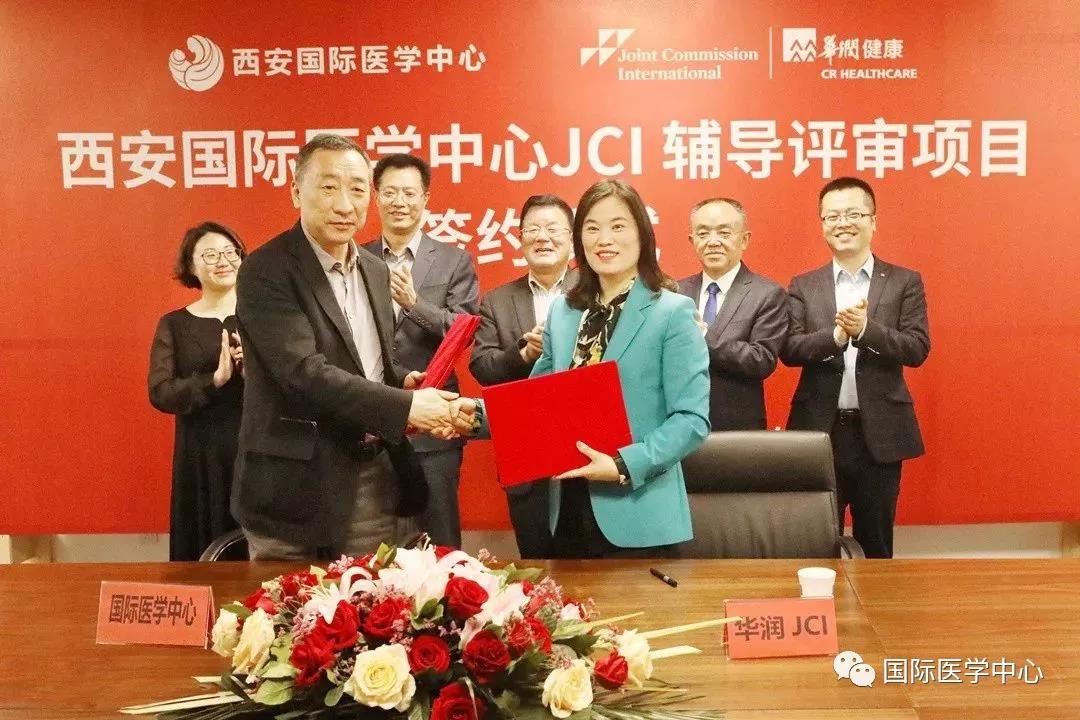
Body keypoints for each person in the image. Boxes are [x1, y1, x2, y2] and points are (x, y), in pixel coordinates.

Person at [454, 180, 710, 559]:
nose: (604, 239)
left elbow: (691, 420)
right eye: (592, 228)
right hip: (567, 508)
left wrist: (623, 464)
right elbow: (536, 400)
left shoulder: (672, 311)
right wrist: (475, 414)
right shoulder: (564, 311)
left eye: (618, 226)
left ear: (643, 234)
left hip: (638, 512)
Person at [232, 134, 458, 561]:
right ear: (296, 191)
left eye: (357, 189)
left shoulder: (375, 269)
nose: (344, 205)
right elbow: (303, 373)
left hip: (374, 475)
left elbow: (365, 363)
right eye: (329, 187)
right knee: (291, 603)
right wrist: (406, 406)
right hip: (294, 489)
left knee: (371, 598)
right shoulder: (266, 270)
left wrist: (402, 383)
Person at [781, 176, 930, 559]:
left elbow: (917, 348)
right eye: (832, 216)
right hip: (820, 430)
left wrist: (865, 330)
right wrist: (834, 337)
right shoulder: (804, 285)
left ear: (873, 221)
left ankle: (877, 601)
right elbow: (789, 349)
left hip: (879, 432)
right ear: (822, 224)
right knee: (815, 543)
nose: (842, 223)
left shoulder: (904, 281)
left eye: (853, 214)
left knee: (876, 545)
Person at [361, 153, 480, 549]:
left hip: (435, 423)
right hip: (372, 420)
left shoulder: (453, 261)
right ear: (376, 196)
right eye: (390, 192)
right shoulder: (356, 259)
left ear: (426, 199)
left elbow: (463, 330)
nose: (400, 202)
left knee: (440, 539)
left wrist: (415, 304)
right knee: (371, 543)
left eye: (409, 193)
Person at [469, 194, 577, 558]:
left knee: (592, 566)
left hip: (586, 443)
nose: (542, 237)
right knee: (536, 558)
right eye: (533, 229)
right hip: (525, 447)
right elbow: (481, 367)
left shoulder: (595, 291)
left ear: (572, 238)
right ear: (520, 238)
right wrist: (524, 355)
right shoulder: (497, 300)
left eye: (553, 228)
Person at [149, 221, 247, 561]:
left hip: (257, 445)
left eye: (230, 252)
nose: (223, 261)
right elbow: (160, 391)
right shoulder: (174, 324)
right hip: (202, 454)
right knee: (204, 547)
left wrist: (253, 370)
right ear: (190, 266)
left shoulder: (263, 315)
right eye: (210, 255)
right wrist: (213, 380)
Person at [677, 198, 787, 430]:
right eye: (703, 234)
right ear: (692, 240)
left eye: (724, 233)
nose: (713, 242)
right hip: (678, 424)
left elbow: (761, 360)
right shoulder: (675, 293)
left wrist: (702, 336)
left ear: (744, 239)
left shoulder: (767, 294)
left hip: (738, 428)